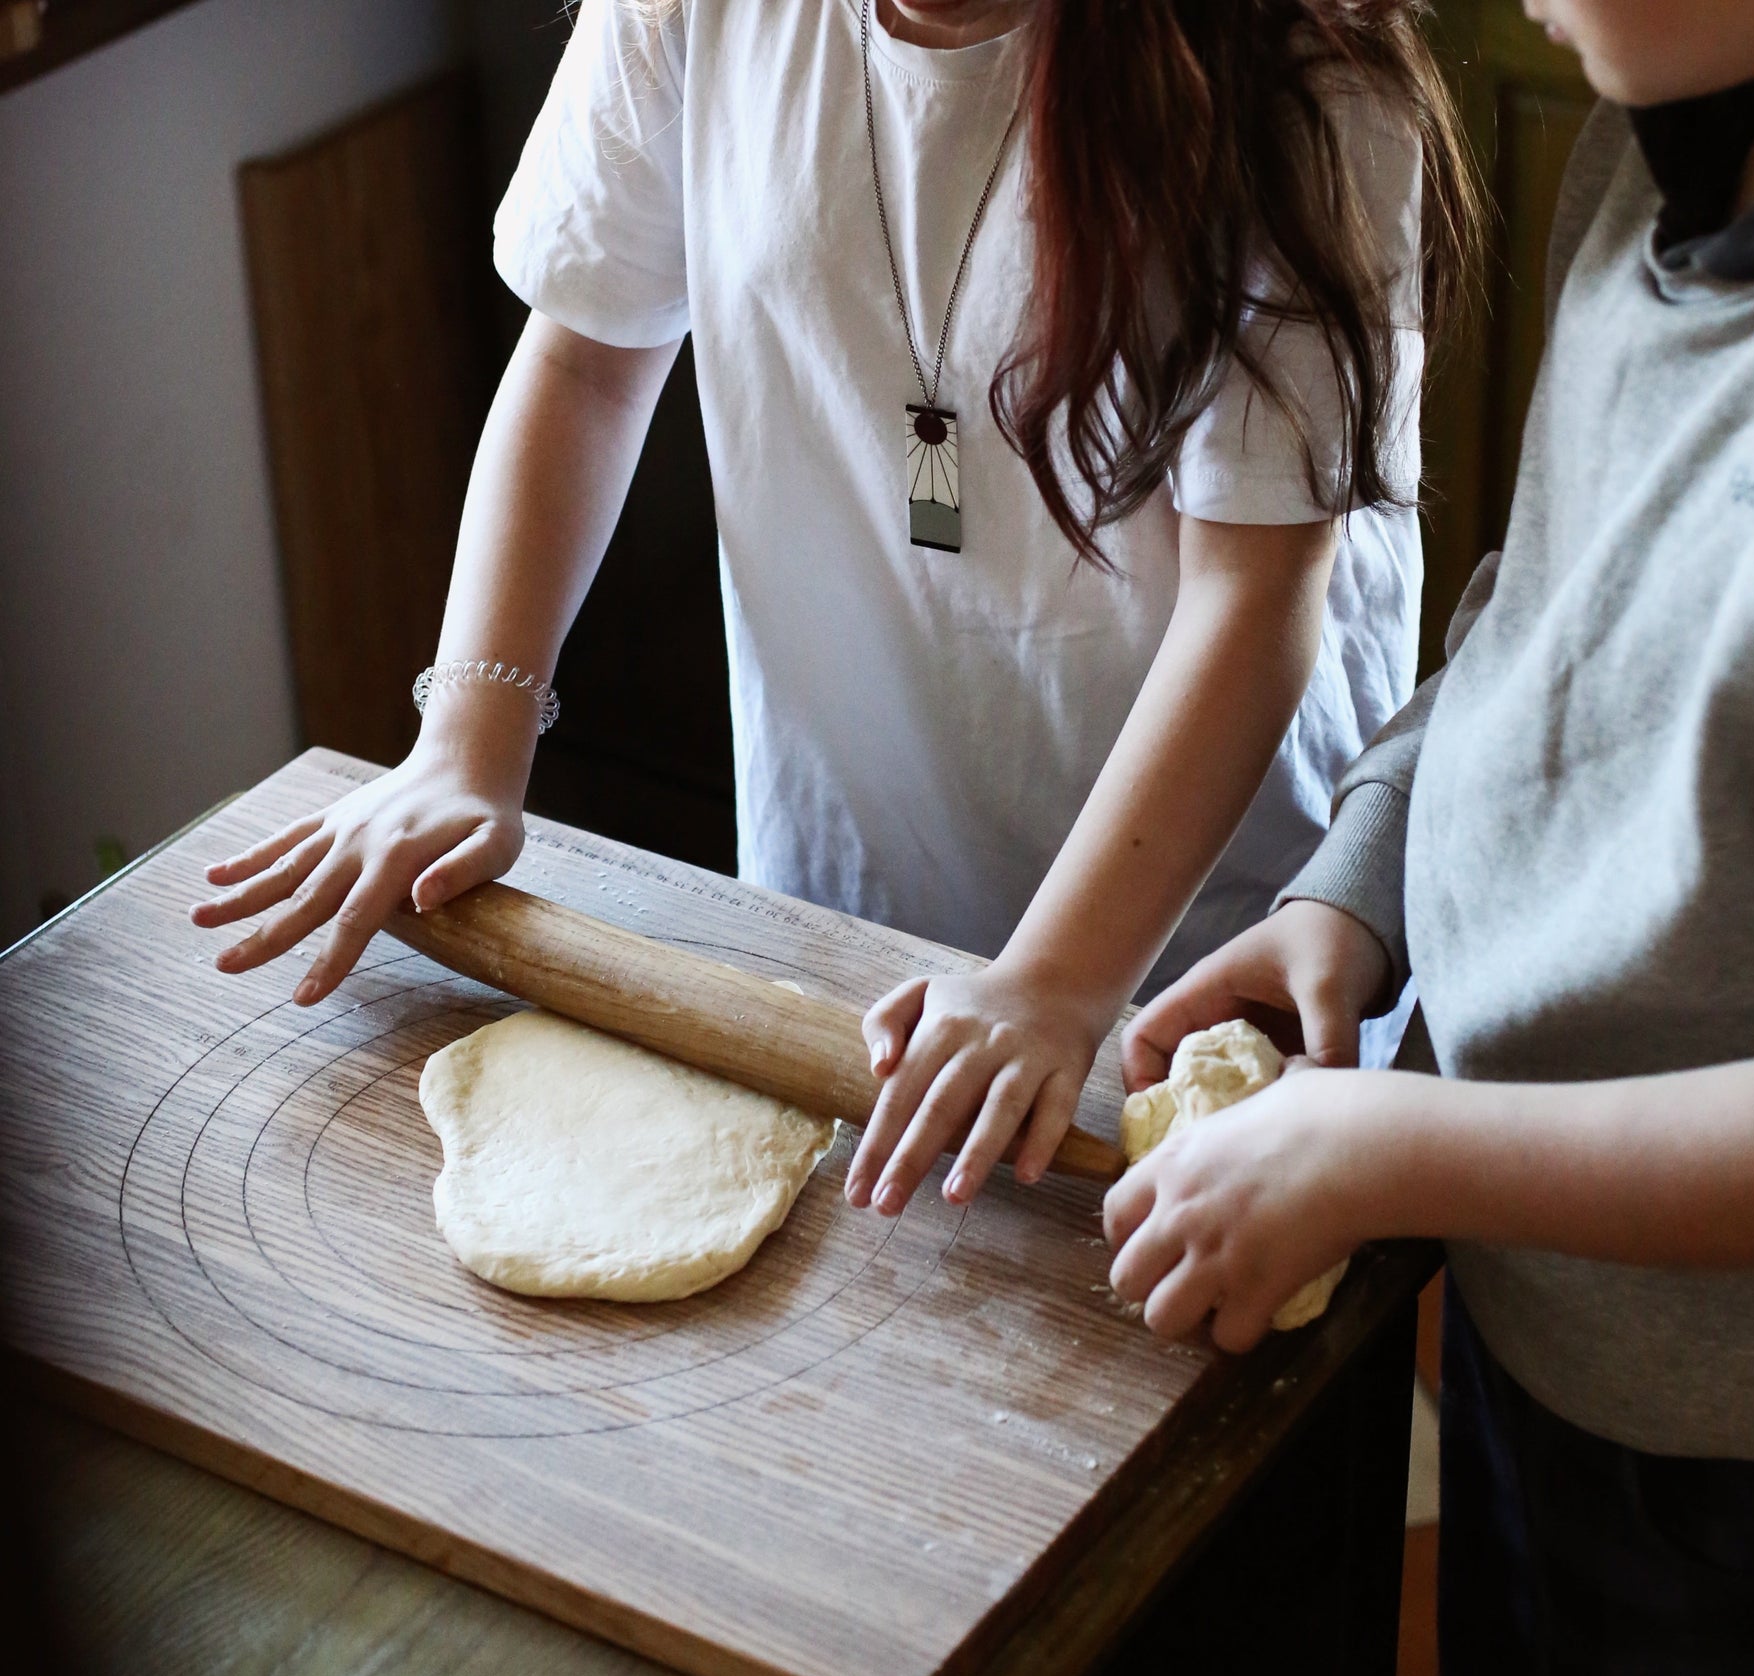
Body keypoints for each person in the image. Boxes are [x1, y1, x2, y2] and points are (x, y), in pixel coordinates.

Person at [1107, 0, 1754, 1676]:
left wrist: (1397, 1151)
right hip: (1557, 1312)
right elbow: (1526, 620)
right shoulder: (1671, 130)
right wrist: (1358, 879)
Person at [190, 0, 1473, 1224]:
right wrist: (467, 745)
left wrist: (1056, 983)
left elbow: (1253, 599)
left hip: (1193, 954)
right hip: (843, 908)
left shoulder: (1295, 69)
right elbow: (583, 359)